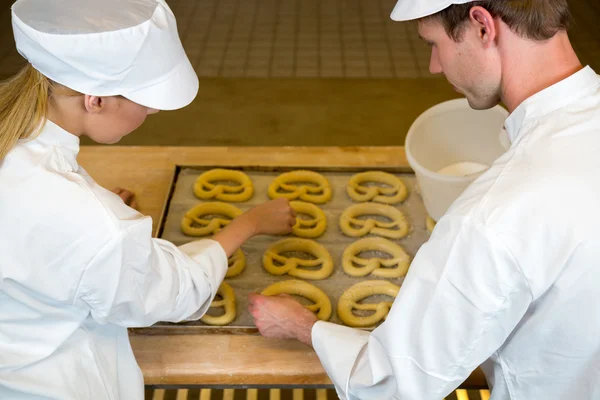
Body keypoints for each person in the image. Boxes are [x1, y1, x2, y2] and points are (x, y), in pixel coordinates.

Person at [248, 0, 600, 399]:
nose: (435, 65)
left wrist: (302, 327)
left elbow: (397, 384)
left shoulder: (496, 214)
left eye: (433, 43)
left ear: (482, 26)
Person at [0, 0, 296, 399]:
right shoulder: (93, 223)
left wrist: (98, 216)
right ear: (96, 99)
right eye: (147, 100)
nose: (154, 109)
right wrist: (251, 223)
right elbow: (175, 293)